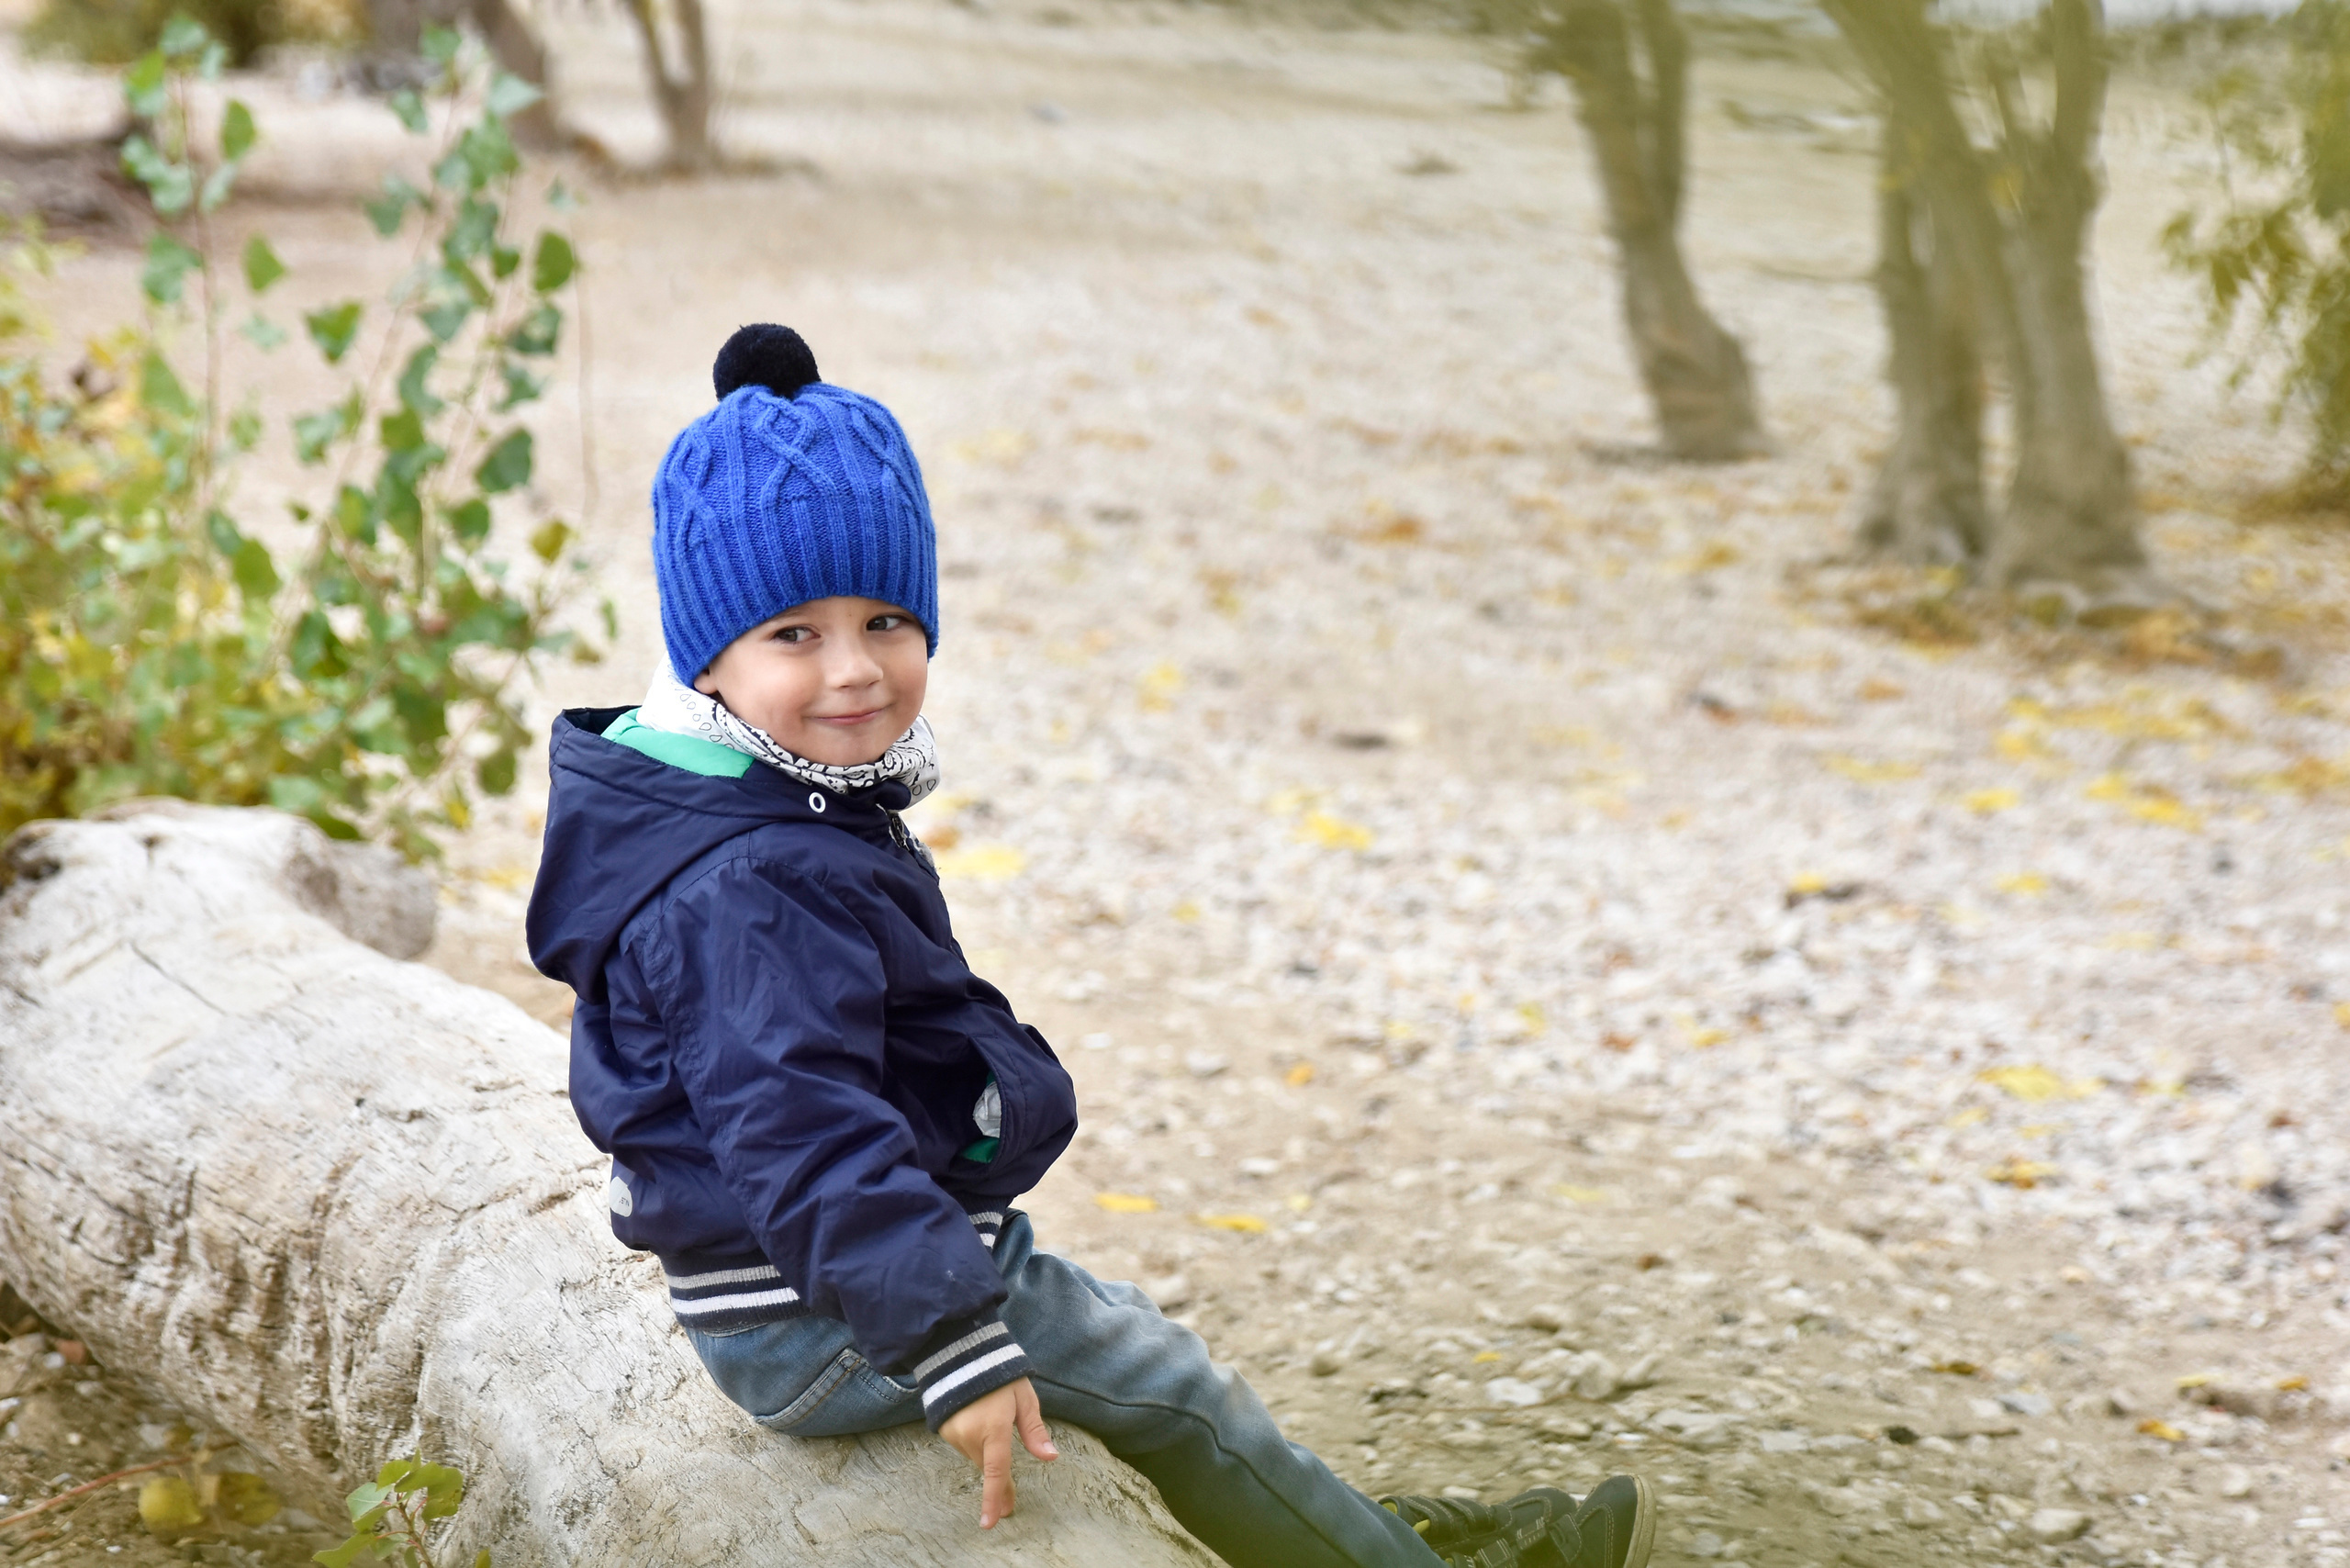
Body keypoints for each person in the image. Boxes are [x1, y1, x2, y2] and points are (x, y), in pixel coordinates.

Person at [526, 325, 1657, 1568]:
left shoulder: (745, 795)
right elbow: (799, 1124)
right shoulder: (747, 879)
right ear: (711, 656)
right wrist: (954, 1349)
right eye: (795, 635)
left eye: (888, 620)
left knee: (1128, 1333)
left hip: (825, 1270)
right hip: (813, 1314)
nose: (854, 670)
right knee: (1173, 1383)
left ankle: (1355, 1529)